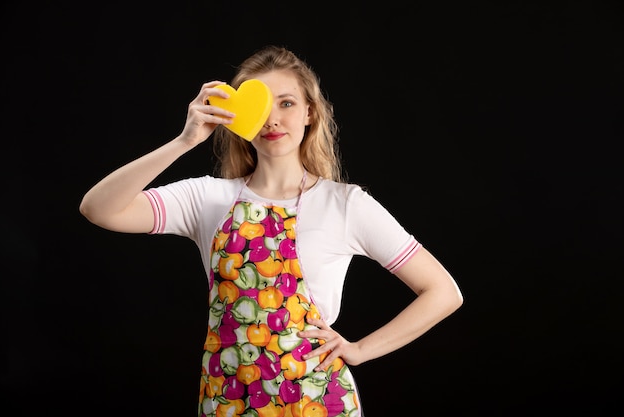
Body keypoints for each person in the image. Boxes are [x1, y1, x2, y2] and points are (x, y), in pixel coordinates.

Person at [79, 45, 463, 417]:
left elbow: (443, 292)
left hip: (317, 400)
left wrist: (360, 349)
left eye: (287, 103)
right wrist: (186, 141)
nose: (272, 119)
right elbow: (98, 209)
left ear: (310, 112)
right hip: (227, 398)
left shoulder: (345, 205)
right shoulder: (207, 198)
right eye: (260, 107)